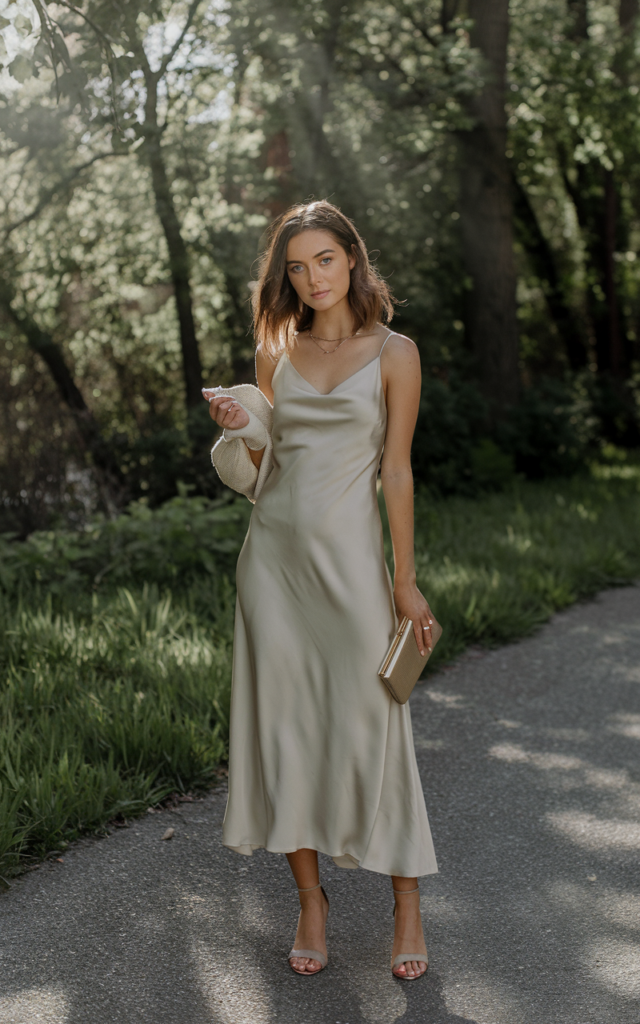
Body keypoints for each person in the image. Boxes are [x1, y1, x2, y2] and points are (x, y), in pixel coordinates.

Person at [203, 200, 437, 980]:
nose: (312, 278)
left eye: (324, 260)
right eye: (296, 267)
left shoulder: (395, 352)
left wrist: (403, 581)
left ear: (353, 257)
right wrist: (241, 421)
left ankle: (407, 900)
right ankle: (311, 899)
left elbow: (396, 471)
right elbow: (263, 462)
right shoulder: (277, 348)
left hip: (351, 571)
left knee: (377, 726)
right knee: (287, 733)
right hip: (270, 567)